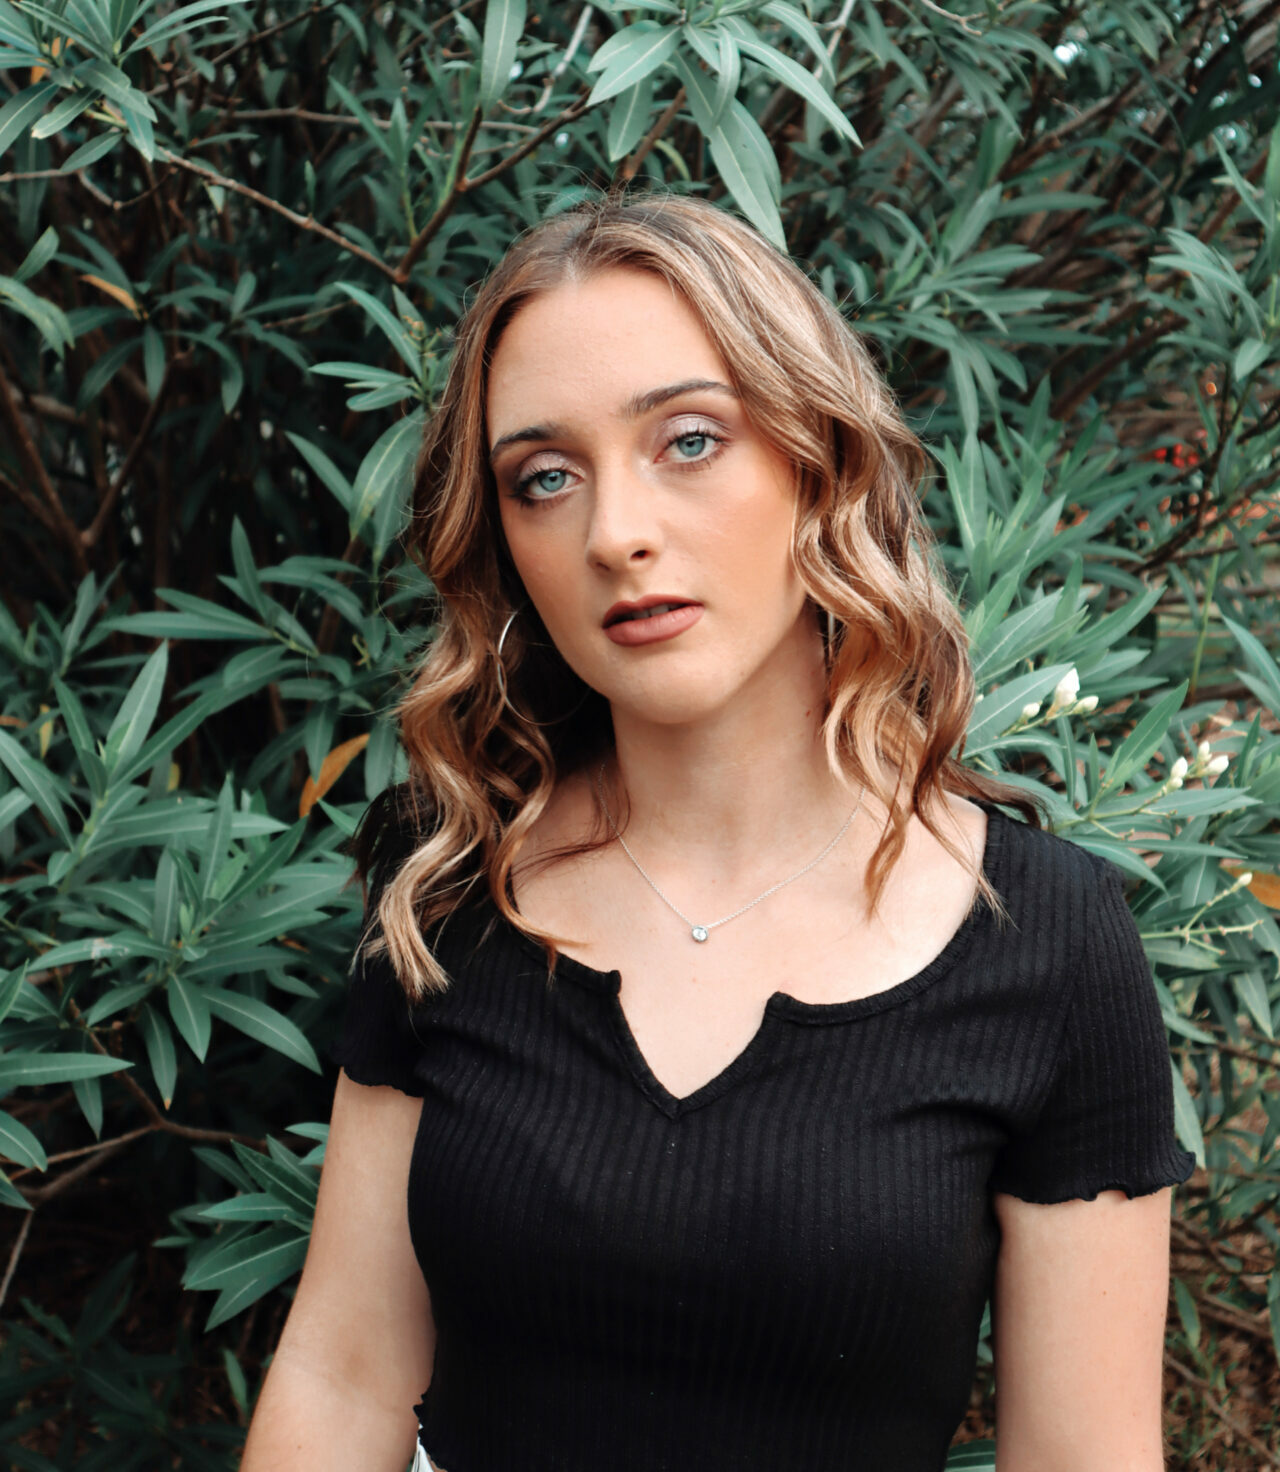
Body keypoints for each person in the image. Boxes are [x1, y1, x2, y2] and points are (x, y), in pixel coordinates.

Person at [239, 191, 1196, 1472]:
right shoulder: (450, 876)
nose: (615, 534)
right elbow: (343, 1370)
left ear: (819, 459)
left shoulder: (1043, 941)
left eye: (687, 441)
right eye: (544, 478)